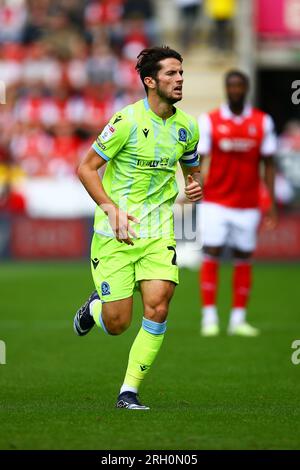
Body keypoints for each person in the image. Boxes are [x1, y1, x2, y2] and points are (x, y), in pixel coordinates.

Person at [73, 46, 202, 409]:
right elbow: (86, 168)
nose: (179, 79)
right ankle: (93, 310)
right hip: (115, 231)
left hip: (159, 231)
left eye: (181, 73)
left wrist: (194, 185)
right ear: (150, 81)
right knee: (117, 323)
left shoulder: (187, 127)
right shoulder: (126, 121)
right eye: (171, 74)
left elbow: (193, 170)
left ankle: (128, 391)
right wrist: (111, 210)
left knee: (158, 307)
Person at [197, 70, 277, 337]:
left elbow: (268, 163)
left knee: (244, 257)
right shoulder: (210, 121)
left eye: (240, 85)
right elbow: (198, 160)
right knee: (212, 252)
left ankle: (238, 319)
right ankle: (209, 317)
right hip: (216, 201)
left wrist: (271, 202)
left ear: (246, 88)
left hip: (248, 202)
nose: (235, 90)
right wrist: (194, 186)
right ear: (225, 88)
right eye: (231, 85)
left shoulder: (262, 122)